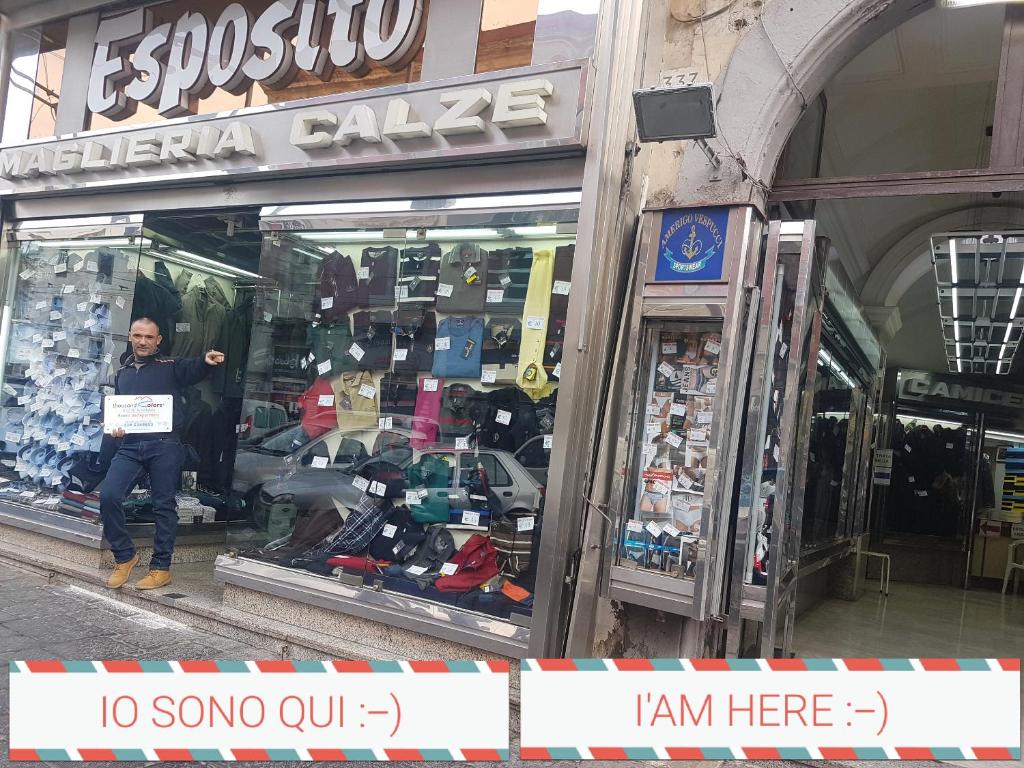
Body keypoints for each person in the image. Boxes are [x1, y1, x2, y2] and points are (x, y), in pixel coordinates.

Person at [102, 317, 225, 590]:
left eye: (149, 337)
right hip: (130, 445)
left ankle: (160, 569)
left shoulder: (170, 366)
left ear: (158, 340)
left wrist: (206, 361)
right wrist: (115, 428)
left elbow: (191, 369)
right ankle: (125, 557)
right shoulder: (123, 373)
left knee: (164, 506)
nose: (143, 342)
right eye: (138, 336)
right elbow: (120, 410)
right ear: (130, 337)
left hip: (165, 445)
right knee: (109, 496)